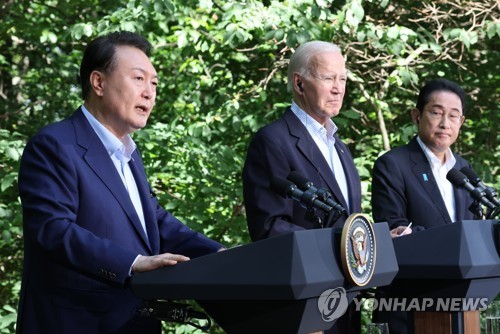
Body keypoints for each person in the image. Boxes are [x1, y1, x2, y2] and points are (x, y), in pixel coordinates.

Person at [16, 31, 225, 334]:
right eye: (138, 79)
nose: (149, 92)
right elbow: (52, 229)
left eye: (154, 83)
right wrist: (132, 262)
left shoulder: (129, 153)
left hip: (136, 323)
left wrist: (219, 255)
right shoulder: (54, 145)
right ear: (98, 82)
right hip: (75, 323)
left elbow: (155, 221)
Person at [242, 40, 364, 334]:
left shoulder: (341, 148)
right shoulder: (273, 141)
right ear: (299, 83)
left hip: (347, 302)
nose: (338, 88)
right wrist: (340, 249)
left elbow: (347, 222)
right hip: (304, 308)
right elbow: (271, 228)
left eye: (343, 79)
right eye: (328, 78)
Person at [371, 78, 477, 333]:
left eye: (453, 116)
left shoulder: (464, 170)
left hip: (462, 307)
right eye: (436, 113)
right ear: (417, 115)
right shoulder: (393, 164)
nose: (445, 123)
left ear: (461, 123)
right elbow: (395, 230)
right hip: (410, 305)